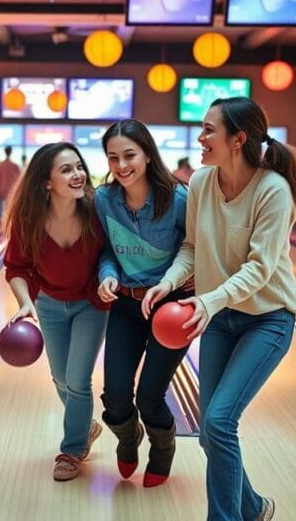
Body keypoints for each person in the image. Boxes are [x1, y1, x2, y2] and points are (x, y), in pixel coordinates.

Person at [141, 97, 296, 521]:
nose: (200, 138)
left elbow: (260, 267)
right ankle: (254, 508)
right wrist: (168, 282)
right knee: (210, 432)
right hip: (220, 319)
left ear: (237, 139)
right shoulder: (201, 182)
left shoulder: (273, 191)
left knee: (219, 423)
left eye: (208, 130)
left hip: (268, 319)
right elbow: (190, 247)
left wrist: (207, 299)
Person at [95, 119, 192, 488]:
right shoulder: (104, 199)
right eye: (113, 157)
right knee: (115, 395)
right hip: (126, 306)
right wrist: (108, 273)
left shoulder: (179, 199)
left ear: (148, 154)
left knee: (151, 396)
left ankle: (163, 449)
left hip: (170, 308)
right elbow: (106, 248)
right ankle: (127, 436)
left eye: (129, 155)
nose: (121, 166)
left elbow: (194, 248)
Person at [4, 142, 108, 481]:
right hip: (49, 304)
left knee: (77, 381)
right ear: (46, 182)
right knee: (60, 378)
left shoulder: (96, 211)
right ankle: (85, 425)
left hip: (91, 304)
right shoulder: (29, 219)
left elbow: (113, 255)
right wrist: (24, 302)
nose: (78, 174)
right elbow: (15, 267)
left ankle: (72, 449)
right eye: (66, 170)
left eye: (79, 167)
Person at [0, 145, 21, 225]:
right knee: (10, 207)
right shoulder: (15, 166)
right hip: (11, 190)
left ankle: (0, 219)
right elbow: (18, 180)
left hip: (0, 189)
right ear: (11, 152)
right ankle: (9, 220)